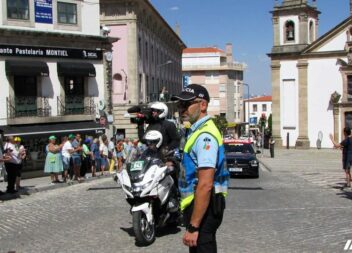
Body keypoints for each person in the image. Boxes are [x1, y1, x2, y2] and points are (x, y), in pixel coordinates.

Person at [171, 84, 229, 253]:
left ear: (202, 105)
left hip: (205, 207)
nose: (182, 109)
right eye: (180, 105)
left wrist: (194, 227)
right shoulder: (195, 131)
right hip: (200, 205)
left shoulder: (205, 136)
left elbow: (205, 184)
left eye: (186, 104)